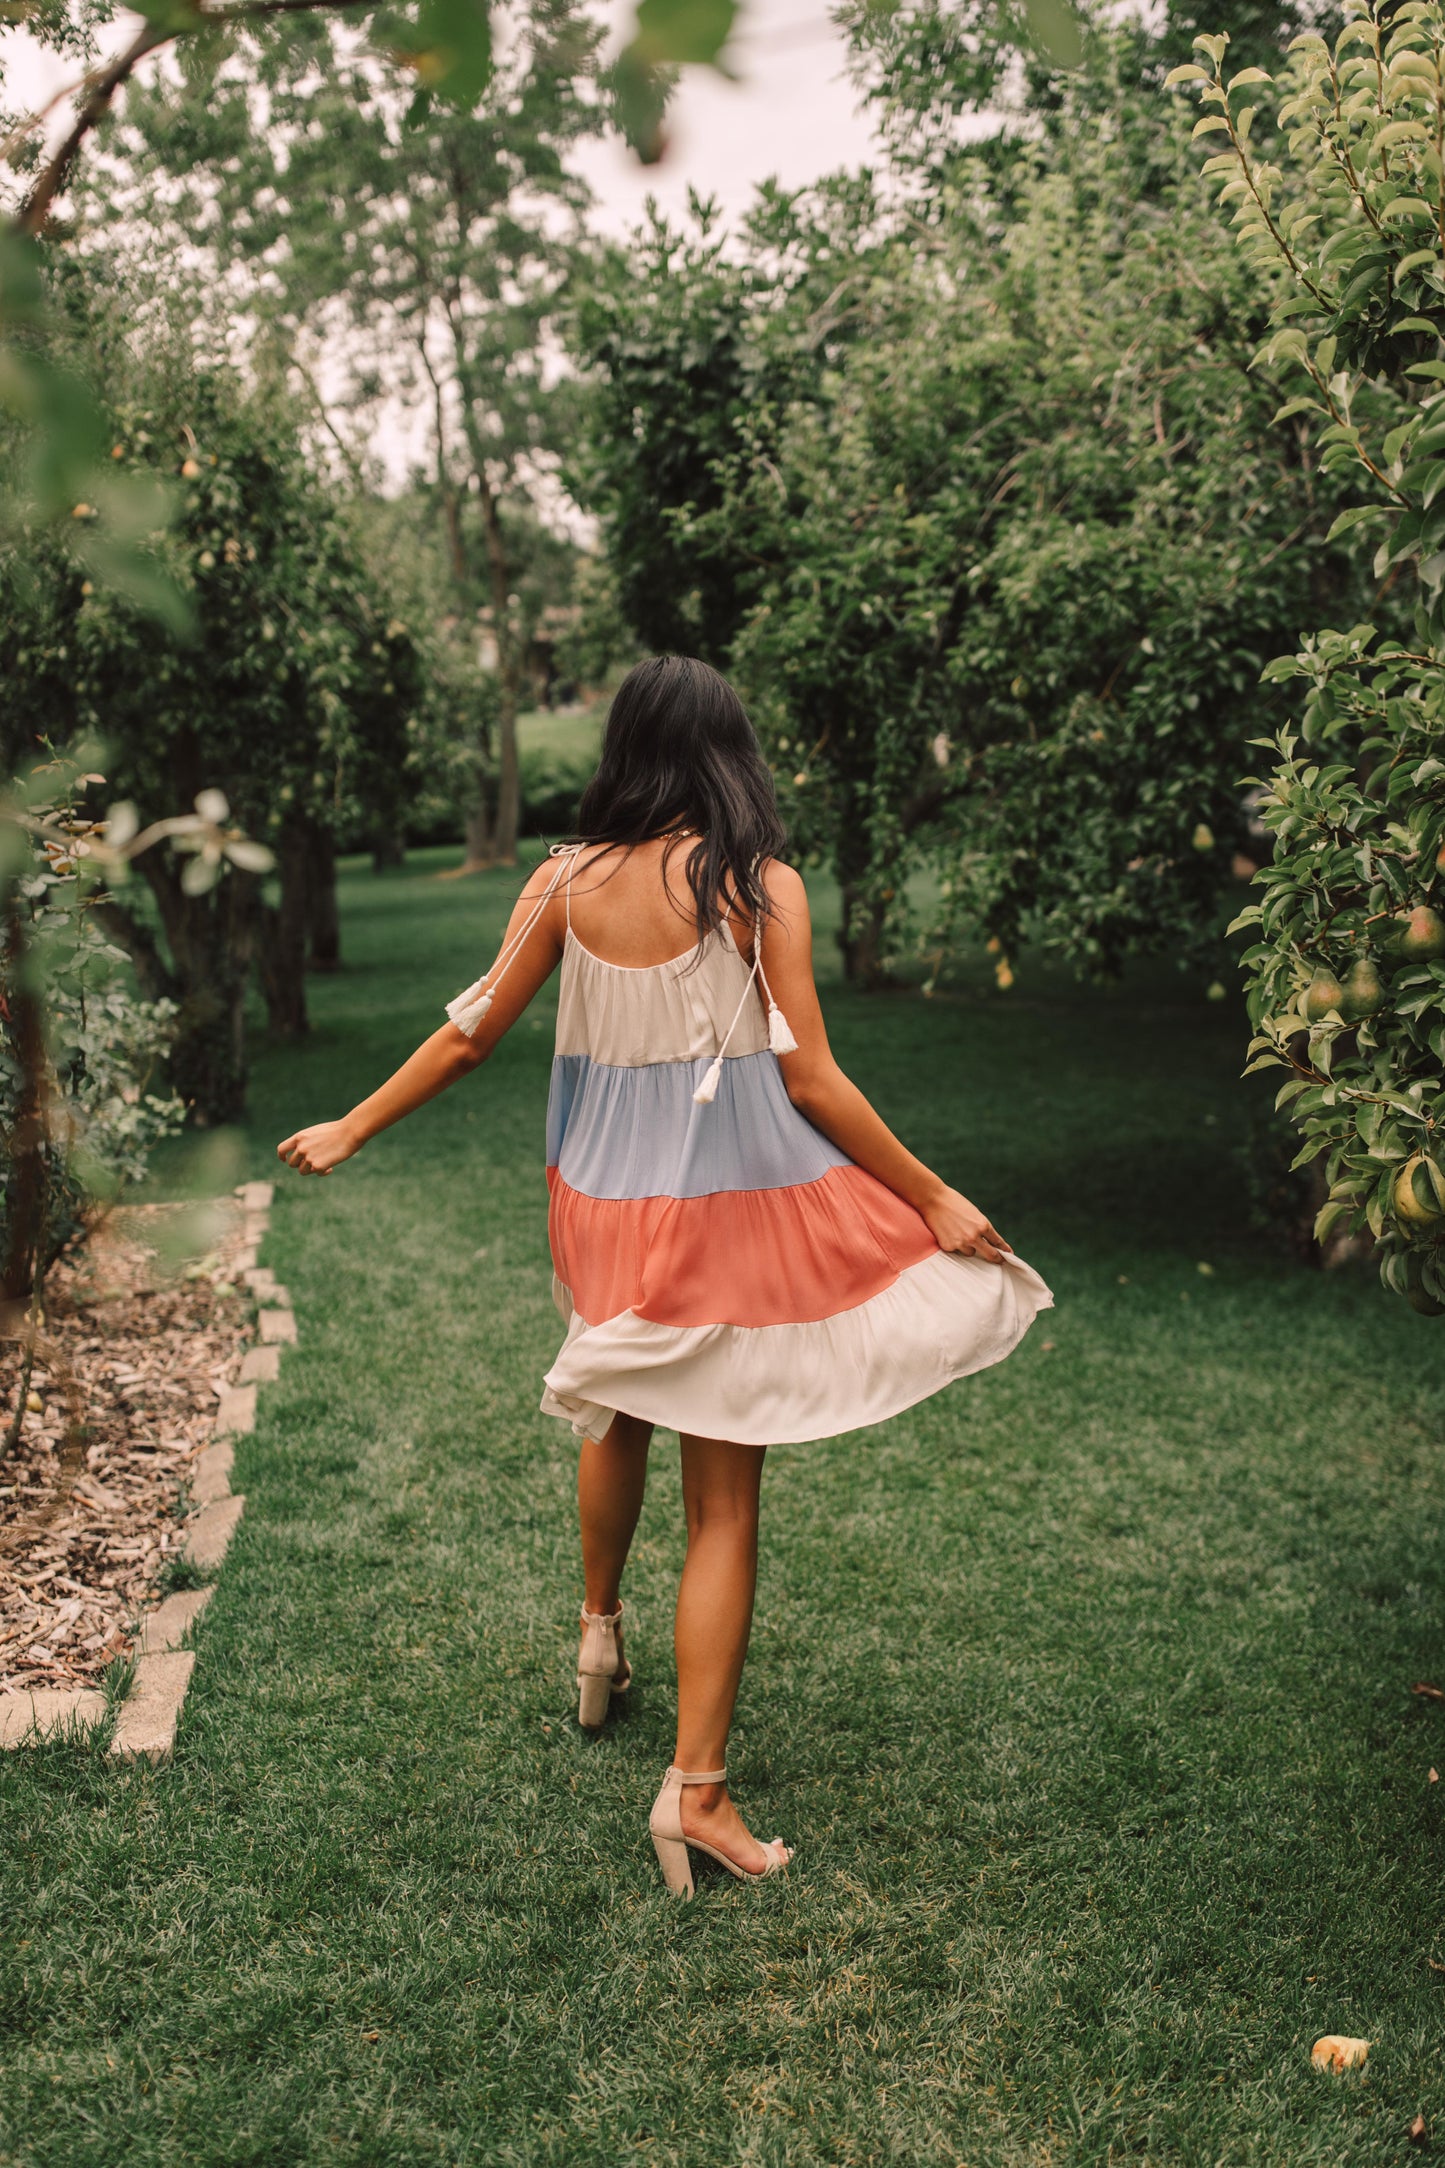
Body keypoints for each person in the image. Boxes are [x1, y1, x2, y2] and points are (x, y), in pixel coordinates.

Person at [277, 654, 1053, 1898]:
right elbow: (813, 1082)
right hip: (727, 1222)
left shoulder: (561, 884)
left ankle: (598, 1638)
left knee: (616, 1402)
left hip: (595, 1208)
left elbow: (471, 1030)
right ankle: (696, 1794)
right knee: (724, 1509)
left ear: (626, 748)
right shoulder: (759, 889)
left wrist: (352, 1125)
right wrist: (931, 1192)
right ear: (727, 750)